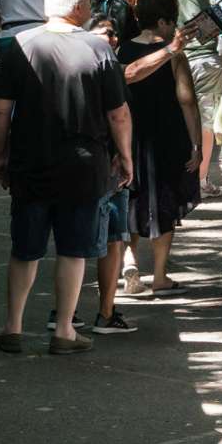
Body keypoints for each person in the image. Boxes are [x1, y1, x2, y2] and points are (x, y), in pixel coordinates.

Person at [0, 0, 132, 356]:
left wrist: (0, 155)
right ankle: (64, 330)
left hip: (29, 161)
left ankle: (13, 326)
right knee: (72, 250)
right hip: (83, 166)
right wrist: (126, 157)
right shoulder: (99, 50)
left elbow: (0, 110)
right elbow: (118, 114)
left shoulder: (19, 45)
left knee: (25, 249)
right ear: (81, 8)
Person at [116, 0, 199, 295]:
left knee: (131, 201)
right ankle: (161, 275)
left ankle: (129, 261)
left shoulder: (122, 51)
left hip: (131, 136)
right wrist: (196, 145)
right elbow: (187, 100)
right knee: (164, 204)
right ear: (163, 21)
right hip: (167, 135)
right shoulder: (173, 52)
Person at [158, 0, 222, 197]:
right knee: (205, 118)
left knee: (178, 116)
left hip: (172, 56)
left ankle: (178, 175)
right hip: (205, 57)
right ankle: (200, 180)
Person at [87, 17, 136, 335]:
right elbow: (118, 116)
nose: (113, 38)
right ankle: (74, 313)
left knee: (112, 239)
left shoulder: (105, 66)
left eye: (115, 32)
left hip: (108, 162)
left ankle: (103, 310)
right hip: (102, 164)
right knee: (93, 240)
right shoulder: (105, 69)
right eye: (105, 32)